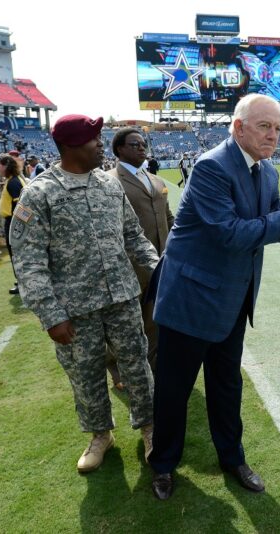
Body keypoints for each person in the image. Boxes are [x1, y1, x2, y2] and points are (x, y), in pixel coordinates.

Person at [148, 94, 280, 500]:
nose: (273, 135)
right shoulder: (212, 166)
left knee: (227, 385)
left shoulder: (266, 171)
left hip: (233, 297)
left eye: (278, 127)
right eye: (265, 126)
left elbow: (277, 228)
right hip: (191, 299)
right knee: (174, 390)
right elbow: (231, 234)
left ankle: (232, 459)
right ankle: (162, 464)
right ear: (239, 127)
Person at [10, 115, 159, 473]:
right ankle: (100, 435)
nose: (100, 145)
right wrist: (51, 315)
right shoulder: (39, 193)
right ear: (72, 146)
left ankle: (151, 428)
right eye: (94, 140)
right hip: (75, 309)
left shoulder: (108, 185)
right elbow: (28, 261)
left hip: (122, 297)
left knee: (137, 365)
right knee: (86, 374)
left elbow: (133, 237)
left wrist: (160, 270)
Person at [105, 128, 175, 387]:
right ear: (119, 149)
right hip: (127, 265)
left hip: (160, 262)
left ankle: (154, 370)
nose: (141, 148)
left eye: (143, 144)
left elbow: (168, 218)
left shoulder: (155, 180)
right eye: (134, 144)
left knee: (154, 319)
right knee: (124, 324)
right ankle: (116, 369)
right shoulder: (109, 181)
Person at [0, 154, 26, 295]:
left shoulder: (13, 182)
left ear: (6, 166)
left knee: (16, 253)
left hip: (14, 222)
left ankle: (23, 283)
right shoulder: (12, 180)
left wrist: (17, 226)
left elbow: (20, 206)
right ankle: (21, 279)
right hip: (15, 222)